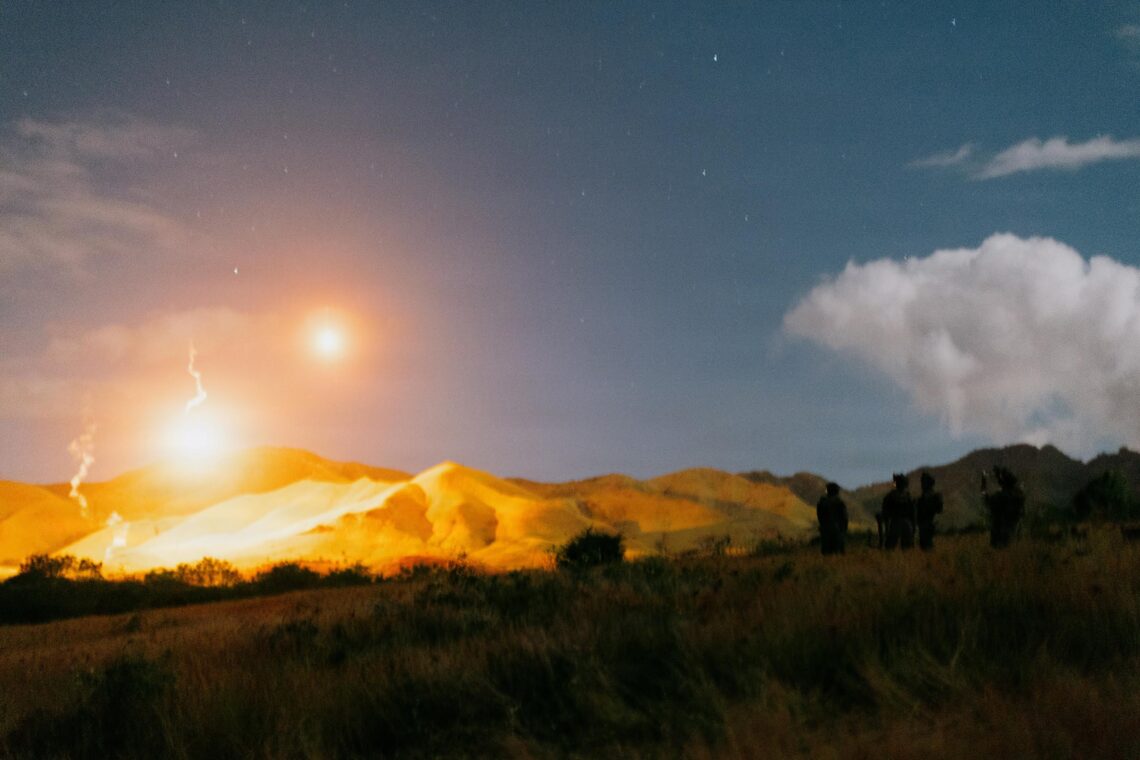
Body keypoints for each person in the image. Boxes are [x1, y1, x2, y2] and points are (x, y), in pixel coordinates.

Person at [983, 465, 1025, 548]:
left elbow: (987, 502)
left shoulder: (1000, 496)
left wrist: (983, 483)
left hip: (1001, 534)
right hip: (1014, 531)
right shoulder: (1018, 494)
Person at [882, 473, 915, 550]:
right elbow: (913, 512)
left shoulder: (892, 495)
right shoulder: (907, 496)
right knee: (904, 546)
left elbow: (885, 510)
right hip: (901, 522)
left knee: (892, 546)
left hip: (897, 522)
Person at [816, 482, 849, 555]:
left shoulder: (822, 502)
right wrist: (844, 529)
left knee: (826, 553)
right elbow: (845, 517)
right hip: (837, 530)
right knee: (837, 553)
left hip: (825, 530)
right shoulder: (839, 502)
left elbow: (819, 516)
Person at [915, 471, 943, 551]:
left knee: (927, 545)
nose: (922, 484)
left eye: (923, 482)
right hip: (924, 523)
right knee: (925, 544)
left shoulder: (932, 496)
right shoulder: (926, 496)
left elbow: (939, 510)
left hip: (928, 522)